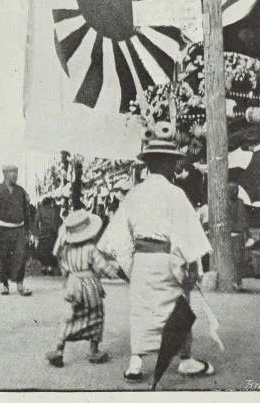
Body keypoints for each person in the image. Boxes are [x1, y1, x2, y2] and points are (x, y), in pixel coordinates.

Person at [98, 139, 214, 382]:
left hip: (142, 261)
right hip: (167, 260)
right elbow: (187, 234)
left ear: (149, 164)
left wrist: (129, 263)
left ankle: (136, 363)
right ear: (166, 164)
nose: (174, 166)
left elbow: (119, 233)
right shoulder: (175, 194)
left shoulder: (135, 194)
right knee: (177, 307)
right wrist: (192, 264)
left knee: (141, 310)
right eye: (172, 162)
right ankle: (185, 360)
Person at [45, 208, 122, 367]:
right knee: (96, 316)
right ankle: (94, 350)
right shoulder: (91, 249)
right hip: (90, 287)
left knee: (69, 317)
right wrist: (116, 273)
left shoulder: (65, 250)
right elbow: (103, 267)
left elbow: (64, 268)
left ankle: (59, 349)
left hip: (73, 286)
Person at [0, 164, 33, 296]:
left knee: (21, 256)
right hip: (3, 230)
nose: (15, 175)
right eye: (12, 172)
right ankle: (4, 284)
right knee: (3, 257)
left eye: (17, 172)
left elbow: (27, 212)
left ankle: (20, 284)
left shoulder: (21, 191)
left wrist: (28, 230)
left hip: (19, 229)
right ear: (5, 174)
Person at [34, 195, 62, 275]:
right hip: (52, 233)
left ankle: (43, 267)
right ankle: (50, 268)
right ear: (50, 202)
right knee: (51, 250)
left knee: (43, 251)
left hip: (43, 232)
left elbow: (36, 223)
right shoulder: (54, 210)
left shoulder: (40, 210)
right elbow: (58, 221)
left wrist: (37, 234)